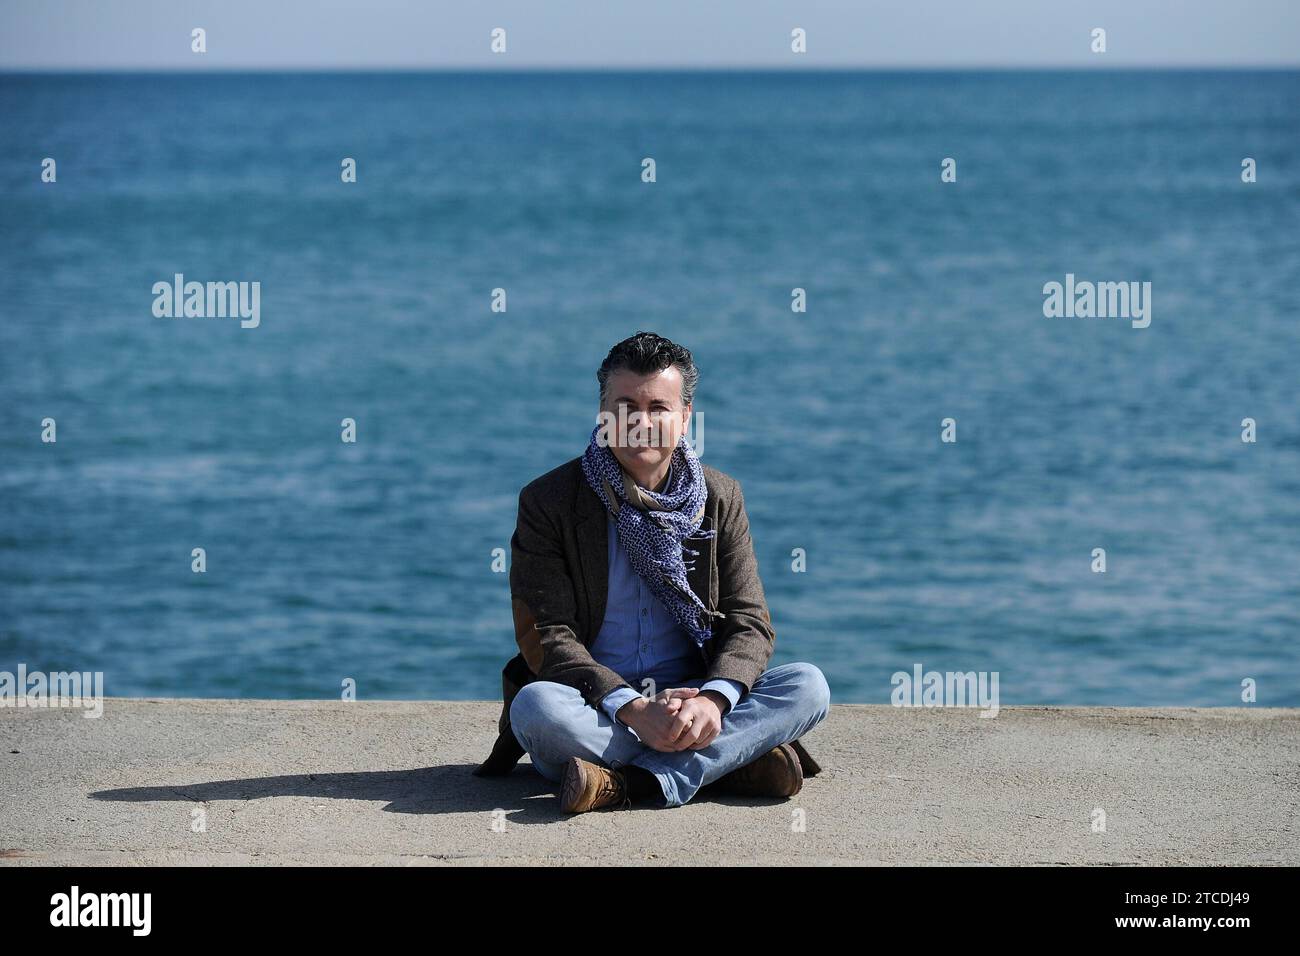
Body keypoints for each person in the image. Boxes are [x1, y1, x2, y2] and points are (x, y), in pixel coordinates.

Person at [475, 332, 829, 812]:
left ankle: (631, 783)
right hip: (599, 706)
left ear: (685, 417)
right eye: (625, 406)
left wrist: (712, 703)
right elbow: (547, 635)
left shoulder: (719, 497)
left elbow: (750, 622)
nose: (640, 422)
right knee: (537, 709)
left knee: (808, 686)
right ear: (603, 414)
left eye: (658, 408)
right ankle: (728, 763)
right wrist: (635, 710)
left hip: (696, 702)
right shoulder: (549, 501)